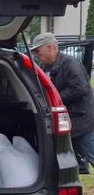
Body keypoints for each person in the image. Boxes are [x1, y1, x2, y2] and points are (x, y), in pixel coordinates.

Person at [31, 32, 94, 167]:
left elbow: (80, 88)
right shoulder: (45, 67)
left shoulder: (71, 64)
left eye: (37, 50)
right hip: (69, 122)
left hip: (81, 122)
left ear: (49, 47)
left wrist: (53, 99)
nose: (35, 54)